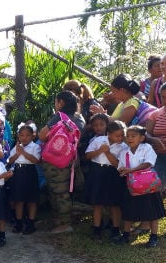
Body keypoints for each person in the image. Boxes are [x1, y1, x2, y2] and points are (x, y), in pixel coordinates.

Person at [38, 91, 86, 234]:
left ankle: (65, 223)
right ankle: (58, 220)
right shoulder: (80, 118)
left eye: (56, 101)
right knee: (61, 190)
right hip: (71, 158)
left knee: (58, 191)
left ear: (61, 103)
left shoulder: (59, 117)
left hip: (55, 160)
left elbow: (42, 135)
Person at [114, 125, 166, 247]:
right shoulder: (124, 152)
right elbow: (121, 167)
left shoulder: (147, 148)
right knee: (128, 211)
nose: (129, 138)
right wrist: (122, 170)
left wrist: (131, 170)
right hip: (132, 186)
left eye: (133, 136)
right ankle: (126, 235)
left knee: (152, 212)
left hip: (148, 186)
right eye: (128, 136)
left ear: (142, 138)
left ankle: (153, 237)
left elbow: (148, 163)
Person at [85, 118, 127, 240]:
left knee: (114, 203)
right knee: (97, 202)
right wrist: (100, 150)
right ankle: (96, 228)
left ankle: (115, 229)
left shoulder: (123, 147)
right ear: (108, 134)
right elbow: (88, 155)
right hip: (97, 172)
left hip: (113, 173)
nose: (120, 138)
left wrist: (108, 153)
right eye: (117, 136)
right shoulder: (98, 140)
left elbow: (119, 165)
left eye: (122, 136)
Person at [146, 81, 166, 192]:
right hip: (160, 155)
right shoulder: (155, 114)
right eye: (163, 97)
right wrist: (153, 139)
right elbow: (146, 134)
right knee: (157, 187)